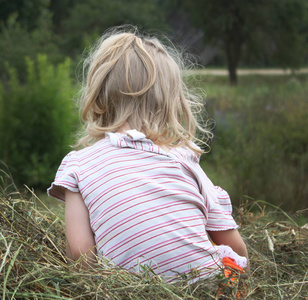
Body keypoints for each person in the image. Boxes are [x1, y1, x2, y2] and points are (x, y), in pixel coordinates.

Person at [47, 26, 249, 282]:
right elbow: (235, 248)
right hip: (208, 285)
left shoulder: (78, 165)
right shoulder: (182, 159)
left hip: (127, 290)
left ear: (98, 95)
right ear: (172, 101)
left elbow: (80, 257)